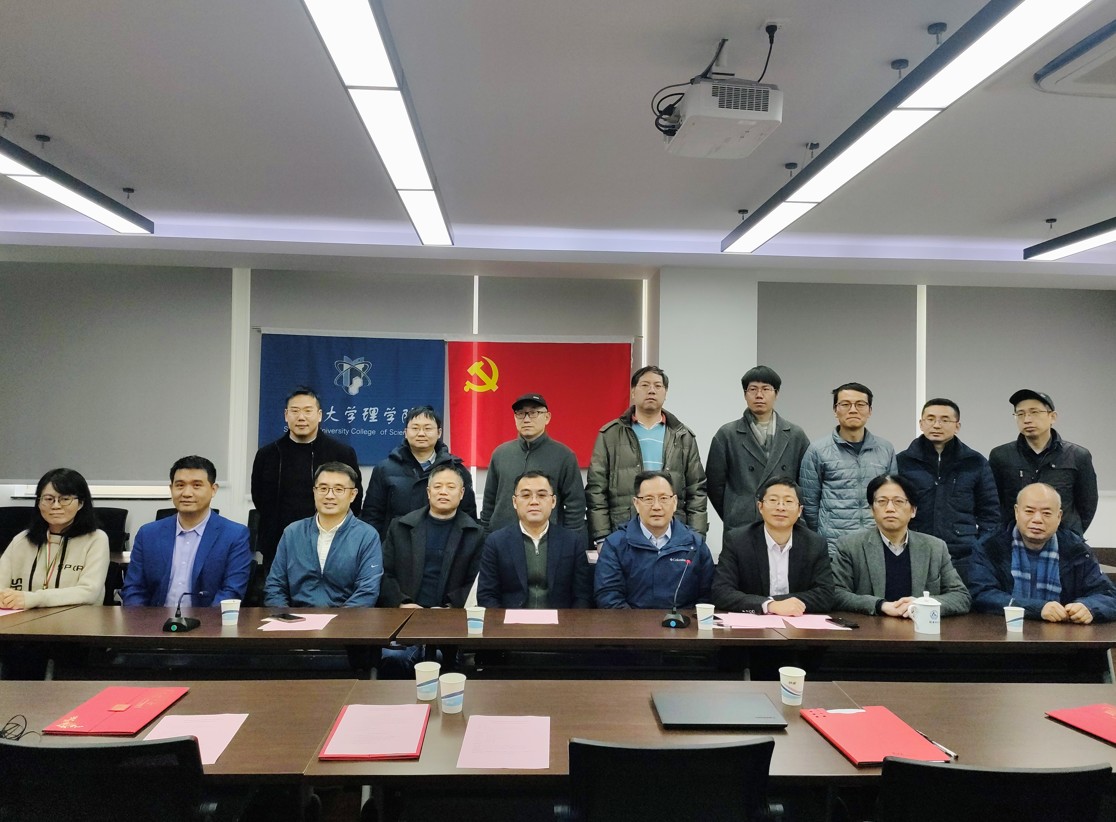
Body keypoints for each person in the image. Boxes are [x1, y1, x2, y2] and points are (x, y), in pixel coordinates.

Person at [377, 464, 484, 678]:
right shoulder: (401, 527)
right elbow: (384, 573)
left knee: (451, 666)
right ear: (428, 492)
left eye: (451, 487)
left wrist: (450, 607)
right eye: (437, 486)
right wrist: (402, 603)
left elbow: (475, 582)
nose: (443, 492)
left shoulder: (475, 533)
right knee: (393, 659)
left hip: (450, 620)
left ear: (462, 493)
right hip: (405, 617)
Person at [586, 366, 707, 547]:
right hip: (623, 533)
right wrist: (602, 537)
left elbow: (696, 490)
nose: (651, 390)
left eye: (658, 386)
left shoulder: (682, 436)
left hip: (673, 534)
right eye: (645, 385)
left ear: (665, 393)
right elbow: (596, 489)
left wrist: (696, 537)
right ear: (633, 392)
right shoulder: (610, 435)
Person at [969, 483, 1116, 623]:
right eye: (1029, 511)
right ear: (1016, 512)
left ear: (1059, 516)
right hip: (1002, 632)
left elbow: (1108, 595)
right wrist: (1037, 609)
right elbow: (981, 594)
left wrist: (1089, 607)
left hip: (1062, 635)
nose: (1037, 519)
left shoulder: (1076, 551)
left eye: (1046, 513)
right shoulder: (990, 546)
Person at [251, 386, 363, 565]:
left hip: (330, 545)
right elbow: (259, 498)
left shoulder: (342, 453)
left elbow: (354, 500)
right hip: (278, 545)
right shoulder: (268, 454)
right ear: (286, 415)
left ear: (319, 415)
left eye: (308, 411)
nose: (301, 417)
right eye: (295, 411)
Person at [832, 473, 970, 618]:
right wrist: (880, 605)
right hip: (871, 628)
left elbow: (961, 596)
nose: (890, 508)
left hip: (919, 627)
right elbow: (836, 593)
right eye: (882, 501)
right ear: (872, 510)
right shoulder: (850, 546)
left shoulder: (935, 547)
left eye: (898, 501)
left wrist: (921, 604)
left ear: (913, 510)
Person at [121, 456, 252, 607]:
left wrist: (203, 621)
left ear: (213, 490)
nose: (187, 493)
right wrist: (143, 619)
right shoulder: (148, 534)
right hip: (154, 620)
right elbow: (134, 589)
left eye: (196, 485)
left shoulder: (234, 535)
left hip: (208, 620)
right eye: (180, 485)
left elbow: (231, 592)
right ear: (171, 489)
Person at [896, 398, 999, 584]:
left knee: (961, 600)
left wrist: (979, 547)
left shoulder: (975, 462)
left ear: (957, 426)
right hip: (914, 550)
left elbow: (990, 513)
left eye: (945, 420)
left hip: (963, 554)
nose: (937, 425)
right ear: (921, 423)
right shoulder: (903, 462)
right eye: (930, 419)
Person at [263, 462, 382, 608]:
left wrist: (338, 620)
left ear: (352, 495)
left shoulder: (367, 536)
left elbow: (367, 593)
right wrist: (286, 617)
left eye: (339, 489)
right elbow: (275, 587)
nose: (329, 495)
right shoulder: (293, 533)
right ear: (314, 491)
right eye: (323, 488)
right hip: (295, 618)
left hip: (346, 620)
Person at [707, 366, 810, 532]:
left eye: (766, 389)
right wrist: (734, 510)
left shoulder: (795, 435)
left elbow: (805, 483)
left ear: (776, 394)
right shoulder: (727, 434)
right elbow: (714, 485)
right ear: (745, 394)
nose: (759, 395)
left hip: (784, 521)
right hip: (742, 523)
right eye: (753, 389)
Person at [800, 382, 896, 556]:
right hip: (834, 547)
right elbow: (809, 504)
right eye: (845, 404)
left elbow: (893, 498)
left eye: (860, 404)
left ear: (870, 411)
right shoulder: (817, 451)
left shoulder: (885, 449)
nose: (853, 410)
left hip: (877, 545)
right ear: (835, 410)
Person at [712, 477, 833, 614]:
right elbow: (721, 592)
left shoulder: (815, 544)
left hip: (797, 622)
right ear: (760, 507)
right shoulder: (737, 541)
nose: (780, 507)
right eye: (773, 500)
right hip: (752, 623)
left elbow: (826, 595)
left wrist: (777, 602)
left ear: (800, 510)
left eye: (788, 501)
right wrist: (769, 605)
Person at [594, 470, 714, 609]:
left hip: (682, 621)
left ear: (674, 502)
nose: (656, 506)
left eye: (663, 498)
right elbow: (608, 596)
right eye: (648, 499)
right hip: (630, 621)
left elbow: (707, 596)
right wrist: (635, 622)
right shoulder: (616, 544)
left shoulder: (695, 544)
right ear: (636, 503)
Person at [988, 389, 1097, 536]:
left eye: (1034, 412)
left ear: (1052, 417)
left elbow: (1087, 505)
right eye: (1020, 414)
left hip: (1064, 540)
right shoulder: (1001, 456)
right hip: (1012, 539)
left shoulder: (1078, 456)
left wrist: (1072, 535)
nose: (1027, 419)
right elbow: (992, 503)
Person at [477, 470, 592, 608]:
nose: (534, 502)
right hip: (511, 619)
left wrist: (568, 621)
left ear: (553, 501)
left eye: (542, 495)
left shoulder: (572, 542)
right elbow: (486, 595)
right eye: (526, 495)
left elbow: (582, 595)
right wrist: (503, 621)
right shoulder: (496, 542)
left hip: (560, 619)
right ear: (514, 502)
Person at [479, 393, 586, 536]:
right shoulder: (500, 454)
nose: (526, 419)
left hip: (547, 540)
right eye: (520, 413)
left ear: (547, 417)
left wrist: (570, 540)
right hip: (502, 538)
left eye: (533, 413)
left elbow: (575, 505)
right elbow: (489, 502)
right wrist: (486, 536)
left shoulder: (564, 456)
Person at [0, 468, 109, 609]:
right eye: (48, 499)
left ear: (81, 503)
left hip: (77, 619)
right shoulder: (22, 540)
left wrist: (34, 599)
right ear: (38, 502)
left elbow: (89, 592)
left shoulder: (96, 539)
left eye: (65, 499)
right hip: (23, 619)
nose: (56, 506)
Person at [362, 405, 477, 538]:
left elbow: (468, 516)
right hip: (397, 544)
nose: (421, 433)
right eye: (415, 428)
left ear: (439, 433)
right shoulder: (385, 469)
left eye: (428, 428)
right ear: (406, 432)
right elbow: (372, 515)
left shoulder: (456, 470)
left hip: (444, 543)